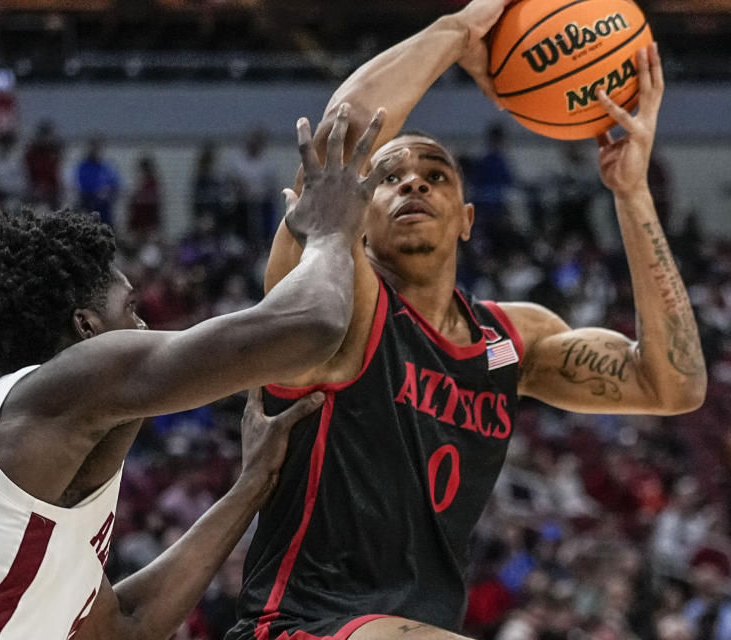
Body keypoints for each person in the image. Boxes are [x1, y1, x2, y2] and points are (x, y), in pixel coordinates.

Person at [0, 109, 407, 639]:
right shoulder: (67, 385)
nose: (147, 330)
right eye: (133, 313)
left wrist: (250, 485)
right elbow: (309, 325)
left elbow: (127, 628)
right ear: (88, 328)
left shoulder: (41, 472)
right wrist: (330, 230)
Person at [228, 1, 708, 638]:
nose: (413, 185)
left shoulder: (513, 340)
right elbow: (337, 139)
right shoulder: (338, 304)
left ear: (468, 219)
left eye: (435, 175)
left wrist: (631, 191)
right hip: (304, 625)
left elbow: (673, 385)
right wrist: (460, 28)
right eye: (389, 178)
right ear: (353, 216)